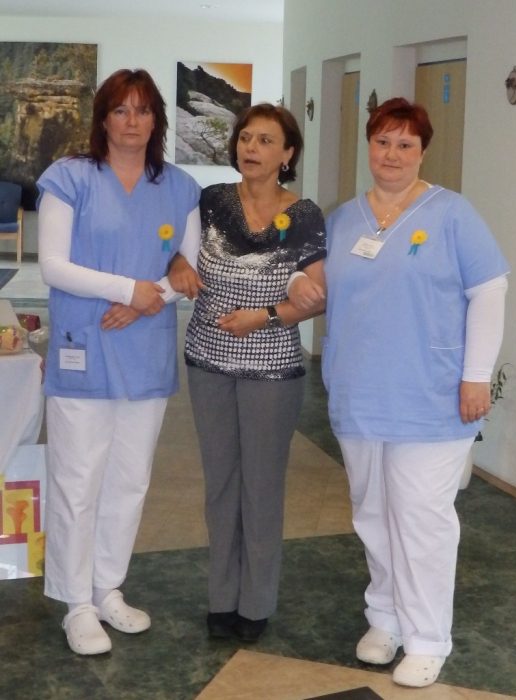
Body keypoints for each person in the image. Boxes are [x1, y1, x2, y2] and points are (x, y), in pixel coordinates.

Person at [320, 98, 509, 687]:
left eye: (405, 144)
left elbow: (490, 291)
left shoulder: (452, 214)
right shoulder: (343, 220)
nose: (392, 154)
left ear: (423, 151)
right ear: (369, 146)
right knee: (373, 513)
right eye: (382, 141)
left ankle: (428, 638)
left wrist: (476, 375)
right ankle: (386, 618)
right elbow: (318, 287)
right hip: (359, 392)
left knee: (421, 518)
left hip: (431, 395)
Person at [37, 68, 200, 655]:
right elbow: (53, 265)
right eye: (121, 110)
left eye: (144, 110)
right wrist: (128, 290)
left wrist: (150, 297)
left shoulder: (179, 187)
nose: (133, 121)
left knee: (129, 481)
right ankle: (75, 602)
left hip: (145, 350)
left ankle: (107, 587)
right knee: (78, 480)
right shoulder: (70, 178)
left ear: (157, 120)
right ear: (103, 119)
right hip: (84, 345)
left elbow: (189, 270)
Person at [169, 102, 326, 642]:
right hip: (208, 361)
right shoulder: (210, 202)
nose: (251, 148)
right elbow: (174, 251)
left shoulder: (304, 215)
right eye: (245, 138)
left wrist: (269, 314)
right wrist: (177, 262)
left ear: (287, 154)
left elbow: (317, 294)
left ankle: (255, 604)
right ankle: (221, 597)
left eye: (265, 141)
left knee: (261, 487)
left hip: (271, 370)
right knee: (220, 484)